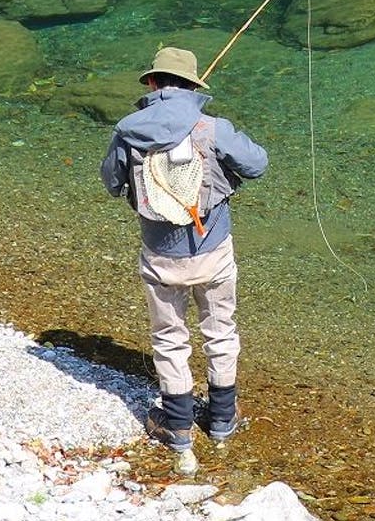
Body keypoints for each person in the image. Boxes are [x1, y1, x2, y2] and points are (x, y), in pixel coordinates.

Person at [101, 44, 268, 460]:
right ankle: (222, 421)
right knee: (221, 332)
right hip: (213, 253)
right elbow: (258, 164)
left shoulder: (128, 130)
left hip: (160, 258)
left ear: (153, 83)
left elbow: (110, 182)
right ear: (192, 85)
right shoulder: (212, 128)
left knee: (169, 340)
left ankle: (177, 429)